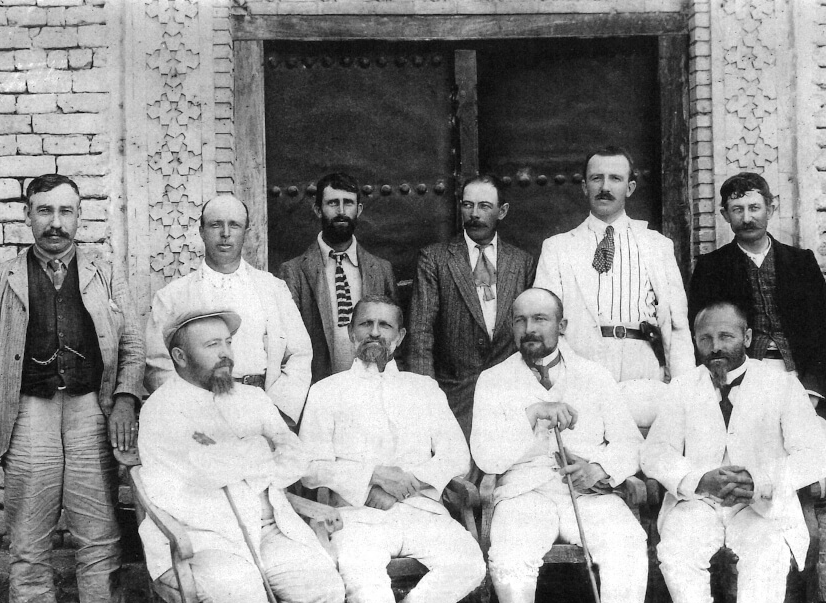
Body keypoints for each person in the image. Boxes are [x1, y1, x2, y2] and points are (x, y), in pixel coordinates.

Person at [0, 174, 155, 603]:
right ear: (27, 216)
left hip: (90, 408)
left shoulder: (105, 276)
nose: (55, 223)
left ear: (79, 217)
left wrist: (128, 399)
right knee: (29, 529)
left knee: (99, 527)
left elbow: (132, 349)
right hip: (28, 412)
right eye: (44, 211)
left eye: (65, 212)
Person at [138, 307, 344, 603]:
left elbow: (295, 457)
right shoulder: (163, 410)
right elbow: (203, 473)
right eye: (212, 345)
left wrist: (246, 454)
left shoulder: (251, 398)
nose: (226, 353)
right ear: (179, 356)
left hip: (267, 528)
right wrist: (256, 451)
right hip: (201, 538)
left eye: (228, 342)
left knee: (324, 588)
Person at [689, 173, 826, 603]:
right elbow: (704, 344)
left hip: (800, 388)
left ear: (771, 207)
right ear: (724, 215)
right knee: (740, 479)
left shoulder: (800, 262)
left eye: (755, 207)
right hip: (740, 391)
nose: (747, 217)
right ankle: (739, 595)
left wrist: (811, 395)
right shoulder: (712, 267)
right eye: (736, 210)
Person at [470, 288, 664, 603]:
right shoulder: (494, 380)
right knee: (509, 556)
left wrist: (599, 468)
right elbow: (485, 455)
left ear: (562, 326)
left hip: (585, 493)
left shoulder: (594, 375)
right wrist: (531, 414)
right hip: (524, 491)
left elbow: (630, 444)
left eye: (540, 319)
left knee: (628, 545)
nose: (529, 329)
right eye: (520, 321)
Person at [642, 301, 826, 603]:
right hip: (700, 502)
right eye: (705, 339)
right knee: (675, 552)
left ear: (746, 338)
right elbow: (655, 453)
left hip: (759, 505)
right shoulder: (683, 387)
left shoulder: (781, 385)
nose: (715, 347)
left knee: (767, 557)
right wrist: (698, 477)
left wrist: (762, 480)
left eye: (725, 336)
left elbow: (814, 455)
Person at [299, 295, 485, 603]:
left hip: (421, 510)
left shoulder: (424, 389)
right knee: (362, 579)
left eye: (385, 326)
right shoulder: (326, 391)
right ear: (350, 332)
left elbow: (456, 454)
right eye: (365, 324)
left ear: (399, 337)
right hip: (357, 514)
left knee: (470, 563)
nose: (374, 333)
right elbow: (310, 466)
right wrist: (370, 478)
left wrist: (409, 481)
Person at [535, 145, 692, 427]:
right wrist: (557, 383)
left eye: (615, 179)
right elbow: (545, 323)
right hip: (581, 372)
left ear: (630, 187)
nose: (604, 187)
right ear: (584, 186)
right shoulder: (557, 249)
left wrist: (683, 393)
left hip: (642, 372)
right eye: (596, 178)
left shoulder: (657, 246)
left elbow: (676, 326)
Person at [145, 194, 312, 428]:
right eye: (216, 225)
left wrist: (278, 412)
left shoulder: (273, 288)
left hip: (265, 406)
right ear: (201, 231)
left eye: (234, 225)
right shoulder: (172, 296)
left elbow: (300, 354)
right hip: (200, 414)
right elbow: (157, 364)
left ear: (246, 231)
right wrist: (193, 413)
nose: (225, 233)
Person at [408, 174, 535, 438]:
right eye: (468, 205)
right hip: (453, 396)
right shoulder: (435, 259)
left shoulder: (522, 262)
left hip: (509, 397)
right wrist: (426, 399)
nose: (474, 213)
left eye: (484, 206)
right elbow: (421, 334)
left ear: (502, 211)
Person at [279, 172, 396, 382]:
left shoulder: (381, 270)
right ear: (317, 210)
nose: (341, 211)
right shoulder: (293, 272)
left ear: (358, 210)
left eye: (348, 203)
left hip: (372, 391)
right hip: (317, 391)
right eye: (333, 203)